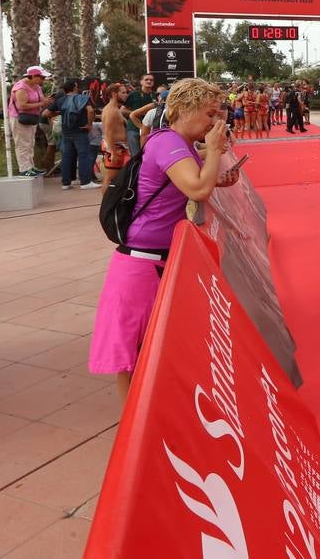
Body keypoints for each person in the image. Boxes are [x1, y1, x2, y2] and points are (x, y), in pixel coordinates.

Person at [89, 78, 239, 401]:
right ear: (185, 109)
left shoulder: (178, 143)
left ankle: (145, 420)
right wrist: (213, 151)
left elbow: (194, 182)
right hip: (142, 265)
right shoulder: (168, 143)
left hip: (155, 260)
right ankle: (134, 430)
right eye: (210, 114)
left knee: (152, 351)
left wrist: (220, 175)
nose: (214, 121)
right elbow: (197, 188)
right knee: (136, 357)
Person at [54, 78, 99, 190]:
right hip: (80, 131)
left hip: (66, 131)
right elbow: (91, 111)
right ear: (75, 87)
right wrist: (89, 125)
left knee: (66, 156)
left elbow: (46, 113)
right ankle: (85, 182)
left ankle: (66, 183)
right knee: (84, 156)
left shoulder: (60, 100)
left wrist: (62, 113)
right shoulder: (82, 98)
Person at [8, 66, 50, 176]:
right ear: (33, 76)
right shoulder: (20, 87)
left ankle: (31, 167)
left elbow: (41, 99)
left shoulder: (37, 87)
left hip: (32, 118)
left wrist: (47, 101)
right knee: (22, 143)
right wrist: (41, 104)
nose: (43, 80)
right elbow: (22, 105)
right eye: (41, 77)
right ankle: (24, 169)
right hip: (20, 118)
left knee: (30, 142)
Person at [99, 82, 130, 192]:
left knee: (115, 179)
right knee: (110, 178)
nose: (126, 95)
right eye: (123, 92)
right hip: (115, 148)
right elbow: (108, 133)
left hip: (119, 148)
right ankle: (106, 207)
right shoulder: (111, 111)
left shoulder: (116, 109)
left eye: (126, 92)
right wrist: (113, 152)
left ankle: (111, 205)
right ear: (114, 94)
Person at [123, 74, 157, 156]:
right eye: (146, 79)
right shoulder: (134, 94)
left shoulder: (155, 96)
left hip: (149, 130)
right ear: (141, 82)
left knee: (147, 155)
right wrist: (138, 112)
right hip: (134, 128)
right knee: (136, 156)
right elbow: (122, 110)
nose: (149, 81)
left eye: (151, 80)